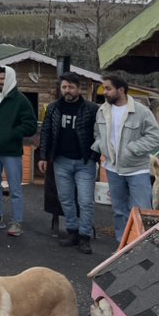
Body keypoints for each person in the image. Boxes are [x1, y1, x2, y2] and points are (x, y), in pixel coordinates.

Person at [93, 74, 159, 244]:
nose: (105, 92)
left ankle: (143, 244)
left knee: (141, 210)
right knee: (119, 210)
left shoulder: (141, 111)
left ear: (121, 90)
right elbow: (97, 133)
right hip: (112, 168)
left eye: (108, 88)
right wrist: (101, 147)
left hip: (136, 169)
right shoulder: (102, 111)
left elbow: (154, 137)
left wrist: (132, 149)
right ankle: (122, 244)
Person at [38, 72, 99, 254]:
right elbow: (46, 132)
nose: (67, 90)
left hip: (84, 162)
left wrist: (95, 157)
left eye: (71, 87)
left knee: (85, 201)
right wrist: (43, 156)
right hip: (61, 161)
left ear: (79, 89)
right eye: (64, 87)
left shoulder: (91, 109)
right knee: (65, 198)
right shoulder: (54, 108)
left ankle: (85, 236)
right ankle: (72, 231)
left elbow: (99, 135)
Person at [0, 67, 37, 237]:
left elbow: (30, 125)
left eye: (3, 78)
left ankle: (16, 222)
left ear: (10, 78)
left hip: (11, 152)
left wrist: (11, 134)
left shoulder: (20, 100)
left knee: (15, 188)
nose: (0, 82)